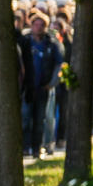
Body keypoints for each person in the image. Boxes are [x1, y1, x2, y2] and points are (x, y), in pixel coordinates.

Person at [20, 11, 63, 159]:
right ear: (31, 25)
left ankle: (36, 148)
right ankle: (24, 146)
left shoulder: (51, 43)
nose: (38, 27)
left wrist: (52, 83)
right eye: (35, 24)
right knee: (25, 117)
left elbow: (59, 64)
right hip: (27, 88)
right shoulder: (25, 41)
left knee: (40, 119)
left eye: (41, 25)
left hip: (43, 88)